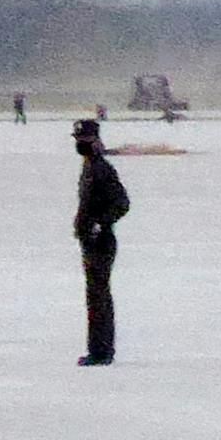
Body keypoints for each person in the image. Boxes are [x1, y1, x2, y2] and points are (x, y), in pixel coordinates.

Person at [73, 119, 128, 366]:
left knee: (99, 296)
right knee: (94, 296)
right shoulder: (89, 167)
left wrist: (100, 223)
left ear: (95, 141)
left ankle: (102, 351)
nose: (80, 144)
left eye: (84, 141)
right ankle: (97, 347)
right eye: (78, 141)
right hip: (89, 240)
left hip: (101, 241)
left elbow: (122, 203)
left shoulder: (102, 169)